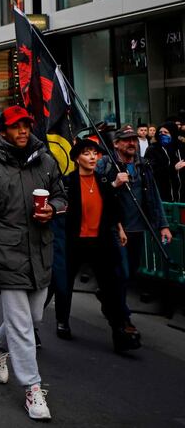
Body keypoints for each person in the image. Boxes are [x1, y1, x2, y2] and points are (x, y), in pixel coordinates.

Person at [0, 106, 66, 421]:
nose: (23, 130)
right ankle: (33, 390)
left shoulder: (45, 161)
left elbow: (63, 197)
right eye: (15, 126)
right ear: (3, 130)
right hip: (5, 254)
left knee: (33, 317)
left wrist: (52, 208)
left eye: (26, 125)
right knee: (22, 326)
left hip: (40, 250)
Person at [48, 139, 140, 351]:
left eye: (94, 154)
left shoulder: (102, 180)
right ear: (77, 158)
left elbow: (112, 207)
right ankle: (62, 321)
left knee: (111, 284)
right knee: (63, 283)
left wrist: (119, 228)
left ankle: (120, 331)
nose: (92, 157)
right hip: (74, 242)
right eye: (87, 153)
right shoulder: (68, 182)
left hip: (100, 241)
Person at [97, 124, 170, 333]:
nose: (131, 143)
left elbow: (154, 196)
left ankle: (107, 296)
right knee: (121, 273)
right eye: (126, 140)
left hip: (138, 230)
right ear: (116, 144)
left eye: (133, 140)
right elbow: (96, 192)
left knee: (130, 274)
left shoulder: (143, 166)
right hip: (115, 229)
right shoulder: (106, 164)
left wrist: (163, 225)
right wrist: (113, 183)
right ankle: (123, 319)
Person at [144, 122, 185, 202]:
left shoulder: (180, 148)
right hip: (163, 195)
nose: (162, 135)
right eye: (160, 132)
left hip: (181, 195)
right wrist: (172, 168)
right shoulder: (153, 149)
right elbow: (151, 170)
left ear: (173, 133)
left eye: (166, 132)